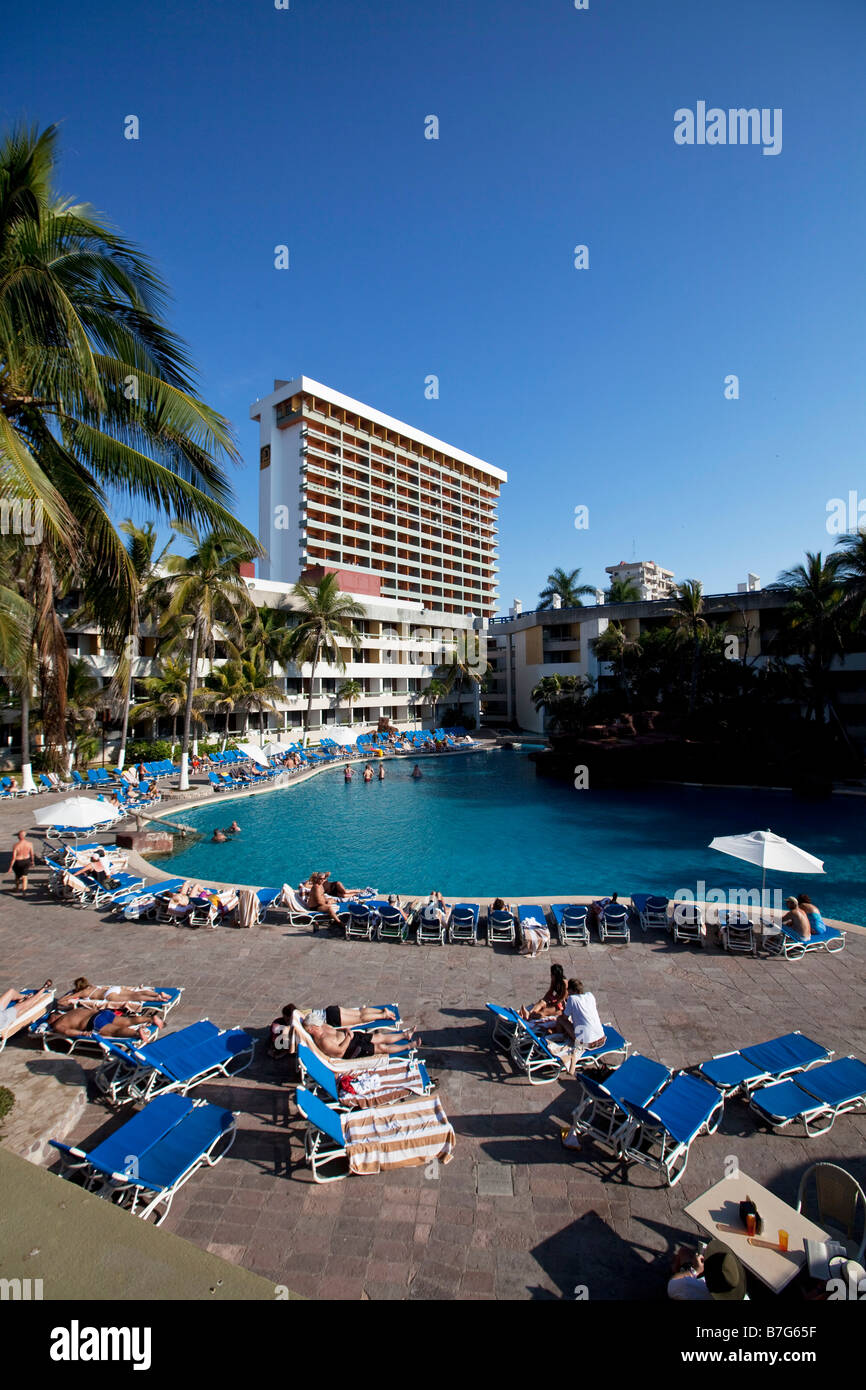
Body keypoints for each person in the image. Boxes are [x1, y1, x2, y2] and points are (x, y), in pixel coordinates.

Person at [302, 1008, 417, 1060]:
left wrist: (346, 1031)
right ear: (312, 1029)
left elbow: (337, 1030)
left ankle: (405, 1035)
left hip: (352, 1037)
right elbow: (339, 1051)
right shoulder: (323, 1041)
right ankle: (407, 1046)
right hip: (352, 1049)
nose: (319, 1025)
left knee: (379, 1037)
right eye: (316, 1025)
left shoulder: (323, 1026)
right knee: (381, 1047)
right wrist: (349, 1037)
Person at [667, 1241, 747, 1301]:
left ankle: (675, 1269)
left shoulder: (693, 1287)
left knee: (684, 1252)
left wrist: (695, 1270)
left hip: (689, 1281)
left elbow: (672, 1284)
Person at [557, 979, 606, 1072]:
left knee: (559, 1019)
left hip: (586, 1043)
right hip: (601, 1039)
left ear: (573, 991)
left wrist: (565, 1005)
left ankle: (560, 1039)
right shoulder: (590, 995)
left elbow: (564, 1017)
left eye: (568, 991)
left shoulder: (572, 999)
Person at [10, 829, 36, 894]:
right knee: (25, 876)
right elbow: (32, 854)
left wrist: (10, 867)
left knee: (17, 876)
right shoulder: (30, 844)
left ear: (18, 836)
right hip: (26, 861)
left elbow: (14, 857)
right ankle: (24, 891)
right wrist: (32, 861)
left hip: (18, 861)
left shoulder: (16, 845)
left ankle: (17, 888)